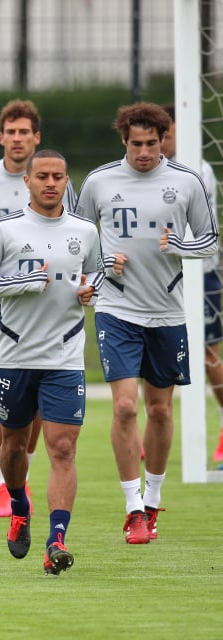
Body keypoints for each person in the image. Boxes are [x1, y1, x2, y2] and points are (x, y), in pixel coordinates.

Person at [75, 102, 218, 543]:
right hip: (116, 309)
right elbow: (76, 242)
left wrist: (180, 245)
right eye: (136, 144)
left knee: (159, 409)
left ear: (163, 140)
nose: (143, 152)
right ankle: (132, 507)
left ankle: (153, 501)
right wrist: (101, 265)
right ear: (124, 141)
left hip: (168, 311)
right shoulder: (99, 182)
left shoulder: (186, 181)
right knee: (125, 407)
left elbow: (209, 243)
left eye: (151, 144)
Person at [0, 149, 104, 575]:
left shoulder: (85, 231)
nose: (50, 183)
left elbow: (97, 274)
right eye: (42, 175)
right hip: (16, 354)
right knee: (15, 446)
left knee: (63, 448)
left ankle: (56, 540)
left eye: (58, 176)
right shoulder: (4, 230)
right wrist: (21, 282)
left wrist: (89, 289)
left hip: (65, 355)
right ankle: (19, 507)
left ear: (66, 181)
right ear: (27, 181)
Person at [0, 99, 77, 518]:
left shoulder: (54, 179)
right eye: (11, 131)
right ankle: (2, 483)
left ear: (36, 137)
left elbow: (71, 230)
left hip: (43, 300)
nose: (18, 138)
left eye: (26, 132)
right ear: (1, 136)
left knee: (38, 390)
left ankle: (22, 470)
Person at [159, 104, 223, 461]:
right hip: (160, 275)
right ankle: (155, 425)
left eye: (168, 134)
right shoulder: (144, 171)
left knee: (208, 353)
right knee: (155, 350)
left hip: (201, 272)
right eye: (161, 135)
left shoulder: (198, 169)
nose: (164, 141)